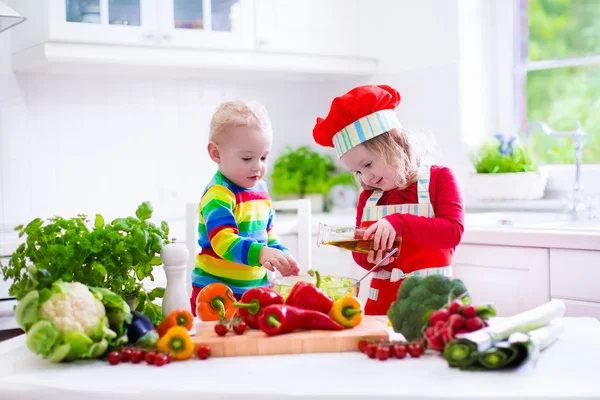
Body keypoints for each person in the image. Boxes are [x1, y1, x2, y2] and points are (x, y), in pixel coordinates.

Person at [312, 85, 464, 316]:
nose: (366, 177)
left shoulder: (439, 178)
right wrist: (371, 257)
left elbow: (452, 232)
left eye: (368, 164)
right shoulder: (369, 197)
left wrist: (400, 222)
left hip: (434, 306)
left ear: (395, 142)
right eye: (357, 172)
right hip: (381, 306)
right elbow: (360, 253)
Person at [191, 100, 301, 313]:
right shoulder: (218, 194)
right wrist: (261, 254)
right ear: (216, 153)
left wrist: (282, 255)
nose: (258, 166)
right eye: (247, 158)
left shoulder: (261, 191)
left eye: (263, 157)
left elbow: (268, 237)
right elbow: (223, 241)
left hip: (256, 292)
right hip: (216, 295)